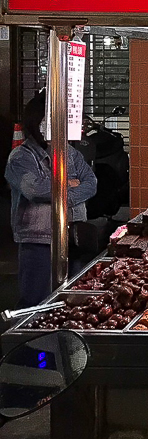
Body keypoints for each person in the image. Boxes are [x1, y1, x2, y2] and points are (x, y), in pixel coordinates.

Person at [5, 91, 97, 307]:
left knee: (71, 299)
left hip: (72, 236)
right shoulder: (20, 157)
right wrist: (71, 185)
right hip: (38, 239)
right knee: (36, 301)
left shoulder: (70, 153)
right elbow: (37, 190)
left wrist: (62, 192)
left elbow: (91, 183)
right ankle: (28, 340)